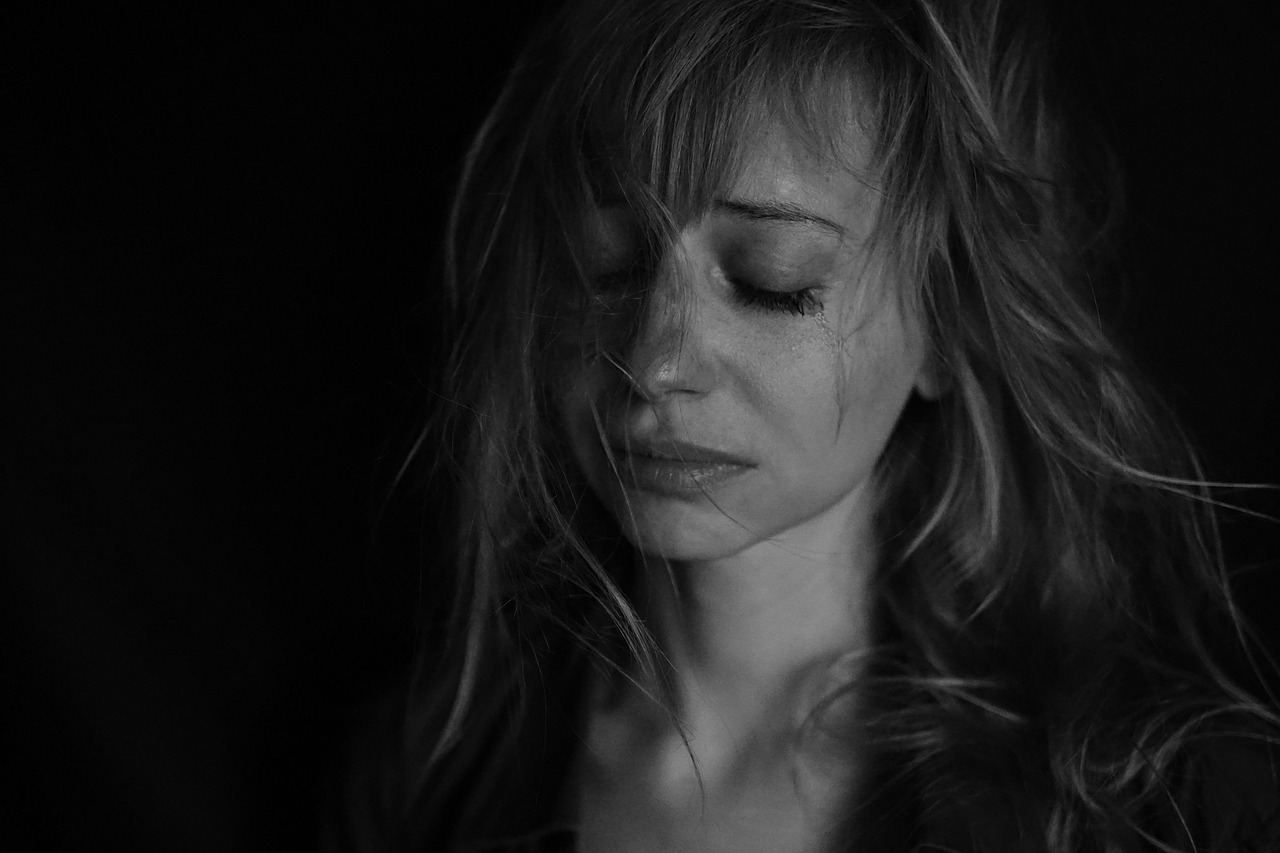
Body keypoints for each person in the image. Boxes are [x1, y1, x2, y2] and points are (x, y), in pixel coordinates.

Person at [327, 0, 1280, 850]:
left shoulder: (1167, 804)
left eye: (770, 281)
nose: (655, 363)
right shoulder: (423, 779)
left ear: (947, 326)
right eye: (609, 260)